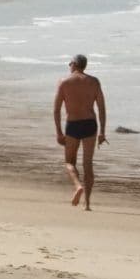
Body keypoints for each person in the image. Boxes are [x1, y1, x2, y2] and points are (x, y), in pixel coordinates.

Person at [53, 54, 108, 211]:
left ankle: (77, 186)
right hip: (90, 124)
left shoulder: (64, 82)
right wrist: (102, 132)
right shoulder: (94, 82)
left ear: (74, 65)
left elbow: (56, 109)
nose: (69, 65)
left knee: (69, 162)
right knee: (88, 164)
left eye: (70, 63)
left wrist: (58, 132)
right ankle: (88, 204)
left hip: (73, 125)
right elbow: (101, 108)